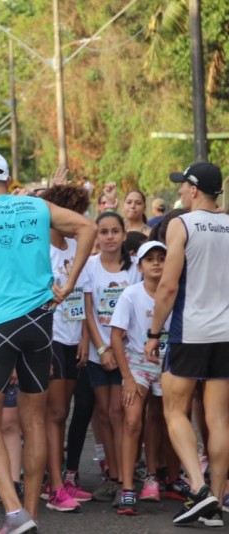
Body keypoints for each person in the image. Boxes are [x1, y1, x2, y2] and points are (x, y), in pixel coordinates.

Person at [0, 151, 96, 534]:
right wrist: (70, 283)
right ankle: (30, 515)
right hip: (40, 322)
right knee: (34, 421)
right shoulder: (37, 205)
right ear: (7, 179)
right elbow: (87, 230)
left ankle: (14, 512)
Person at [145, 162, 229, 525]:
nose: (180, 192)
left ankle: (199, 489)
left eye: (183, 187)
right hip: (226, 333)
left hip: (190, 332)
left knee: (174, 411)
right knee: (219, 419)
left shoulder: (181, 224)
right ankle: (217, 502)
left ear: (194, 190)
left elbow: (168, 285)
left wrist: (153, 332)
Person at [38, 184, 93, 513]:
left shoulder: (77, 245)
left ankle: (59, 479)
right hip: (51, 338)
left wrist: (86, 337)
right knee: (55, 413)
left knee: (63, 412)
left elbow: (84, 295)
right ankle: (54, 485)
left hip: (75, 340)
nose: (78, 219)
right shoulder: (41, 249)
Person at [83, 212, 140, 503]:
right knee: (103, 413)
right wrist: (102, 349)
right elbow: (89, 312)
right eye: (103, 231)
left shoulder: (134, 269)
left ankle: (124, 479)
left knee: (120, 413)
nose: (109, 237)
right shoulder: (90, 267)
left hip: (126, 354)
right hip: (98, 352)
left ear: (123, 233)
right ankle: (112, 475)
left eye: (114, 231)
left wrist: (118, 350)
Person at [110, 240, 168, 515]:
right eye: (150, 259)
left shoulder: (175, 293)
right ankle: (127, 488)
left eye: (161, 258)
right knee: (132, 420)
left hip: (168, 365)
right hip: (136, 363)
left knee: (157, 417)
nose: (156, 263)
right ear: (140, 265)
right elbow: (115, 336)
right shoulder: (131, 295)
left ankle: (152, 477)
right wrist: (128, 377)